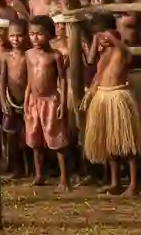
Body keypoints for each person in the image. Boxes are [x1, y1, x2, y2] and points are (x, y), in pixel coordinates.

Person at [81, 13, 141, 195]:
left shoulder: (121, 50)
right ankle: (115, 183)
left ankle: (132, 184)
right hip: (102, 97)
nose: (102, 39)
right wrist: (95, 41)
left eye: (103, 35)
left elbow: (128, 56)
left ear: (113, 32)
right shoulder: (103, 53)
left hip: (118, 96)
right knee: (109, 143)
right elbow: (90, 62)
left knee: (126, 143)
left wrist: (114, 40)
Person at [23, 15, 69, 190]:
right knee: (35, 140)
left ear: (50, 35)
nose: (35, 38)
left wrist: (63, 102)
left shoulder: (55, 56)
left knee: (57, 140)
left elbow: (63, 80)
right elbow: (29, 79)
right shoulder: (28, 54)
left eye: (39, 34)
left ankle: (64, 179)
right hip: (34, 101)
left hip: (51, 101)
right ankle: (39, 174)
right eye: (32, 34)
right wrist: (27, 100)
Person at [0, 18, 29, 177]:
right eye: (12, 36)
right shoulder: (5, 57)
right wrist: (3, 101)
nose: (15, 39)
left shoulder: (29, 56)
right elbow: (2, 80)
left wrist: (29, 101)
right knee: (10, 135)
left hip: (28, 102)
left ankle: (29, 168)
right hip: (11, 101)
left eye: (19, 36)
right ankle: (14, 166)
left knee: (28, 135)